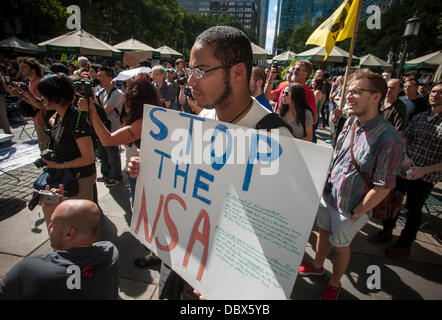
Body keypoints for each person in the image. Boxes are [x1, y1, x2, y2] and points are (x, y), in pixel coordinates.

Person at [128, 26, 292, 298]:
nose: (191, 81)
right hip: (181, 256)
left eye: (201, 71)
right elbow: (189, 180)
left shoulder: (273, 135)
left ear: (238, 72)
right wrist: (151, 171)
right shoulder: (204, 115)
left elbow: (277, 231)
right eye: (190, 71)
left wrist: (232, 288)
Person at [298, 69, 404, 300]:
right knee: (323, 233)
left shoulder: (389, 138)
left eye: (357, 91)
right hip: (329, 196)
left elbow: (383, 187)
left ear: (376, 96)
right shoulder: (351, 122)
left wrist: (357, 213)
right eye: (349, 91)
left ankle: (335, 284)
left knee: (340, 246)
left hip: (351, 208)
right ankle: (317, 265)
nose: (348, 96)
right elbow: (337, 156)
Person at [371, 79, 442, 258]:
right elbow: (404, 138)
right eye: (434, 91)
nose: (435, 95)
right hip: (403, 168)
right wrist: (405, 157)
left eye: (441, 92)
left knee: (412, 210)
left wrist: (425, 170)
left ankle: (404, 244)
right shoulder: (420, 117)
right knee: (392, 201)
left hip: (425, 176)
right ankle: (386, 231)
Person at [0, 187, 120, 299]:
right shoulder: (111, 254)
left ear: (69, 234)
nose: (49, 225)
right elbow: (70, 261)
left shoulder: (29, 270)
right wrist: (56, 214)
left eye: (53, 223)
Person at [79, 78, 161, 204]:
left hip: (140, 176)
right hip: (141, 173)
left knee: (138, 210)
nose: (124, 101)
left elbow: (107, 140)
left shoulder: (141, 123)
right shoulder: (151, 117)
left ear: (137, 101)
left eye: (128, 98)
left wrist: (92, 112)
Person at [37, 73, 96, 201]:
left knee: (80, 218)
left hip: (79, 178)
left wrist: (59, 165)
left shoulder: (76, 119)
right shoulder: (59, 115)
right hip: (67, 176)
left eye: (44, 95)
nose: (41, 98)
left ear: (56, 96)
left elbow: (89, 158)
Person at [5, 57, 49, 151]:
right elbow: (32, 101)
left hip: (45, 120)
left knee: (46, 148)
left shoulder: (41, 82)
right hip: (38, 119)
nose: (21, 70)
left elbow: (41, 105)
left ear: (33, 68)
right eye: (20, 67)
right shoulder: (30, 82)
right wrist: (19, 93)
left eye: (24, 67)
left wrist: (20, 95)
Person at [95, 67, 124, 188]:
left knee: (112, 153)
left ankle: (116, 176)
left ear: (110, 78)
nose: (98, 78)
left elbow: (106, 110)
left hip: (113, 128)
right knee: (102, 154)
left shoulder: (117, 93)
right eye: (98, 75)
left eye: (101, 76)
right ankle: (106, 174)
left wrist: (92, 104)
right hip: (102, 127)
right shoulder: (101, 92)